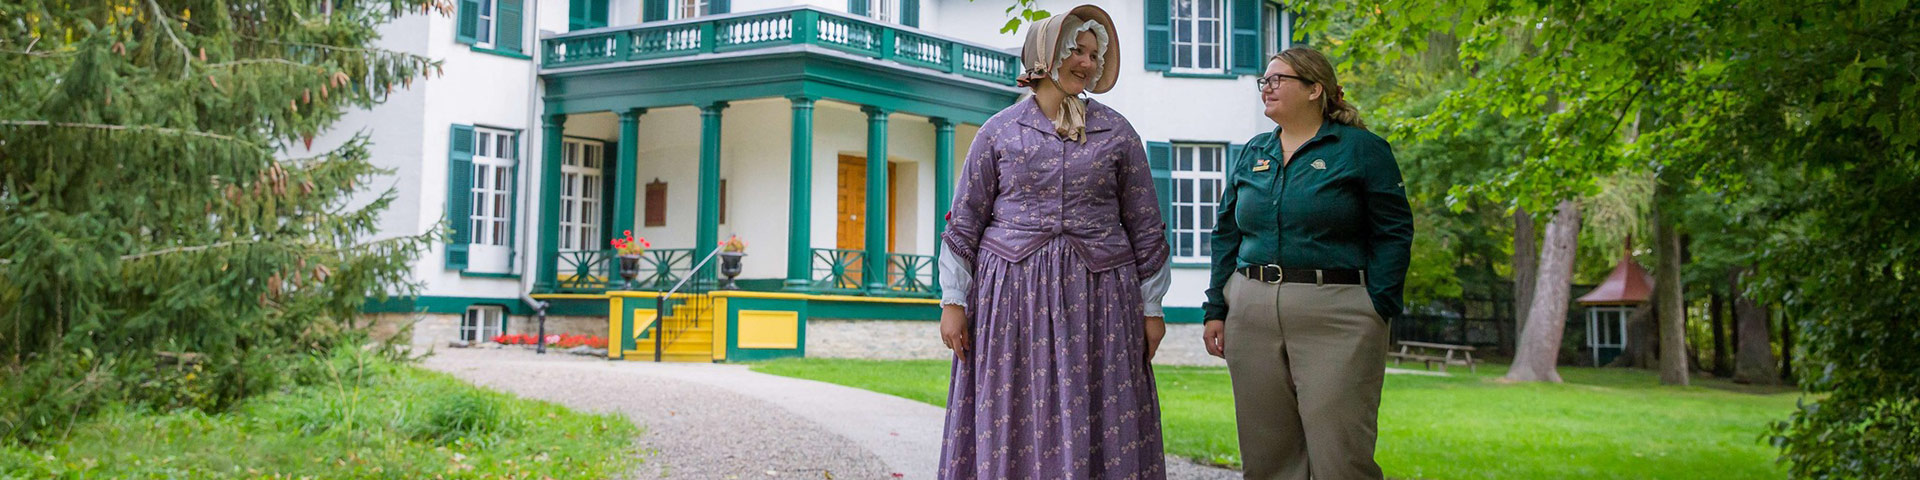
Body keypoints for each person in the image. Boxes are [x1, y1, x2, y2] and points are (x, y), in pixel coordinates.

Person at [934, 5, 1172, 479]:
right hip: (1011, 301)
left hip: (1099, 299)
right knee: (1014, 403)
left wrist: (1152, 309)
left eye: (1091, 54)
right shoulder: (998, 131)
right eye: (1074, 51)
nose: (1085, 62)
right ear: (1045, 55)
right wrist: (953, 302)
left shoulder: (1119, 133)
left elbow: (1146, 226)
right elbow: (964, 222)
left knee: (1099, 403)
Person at [1200, 47, 1414, 480]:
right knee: (1267, 456)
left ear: (1315, 89)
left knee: (1341, 455)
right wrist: (1216, 309)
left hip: (1338, 313)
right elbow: (1226, 232)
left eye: (1280, 79)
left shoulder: (1362, 150)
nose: (1268, 87)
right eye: (1265, 80)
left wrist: (1379, 304)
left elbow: (1393, 230)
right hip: (1251, 311)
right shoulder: (1253, 151)